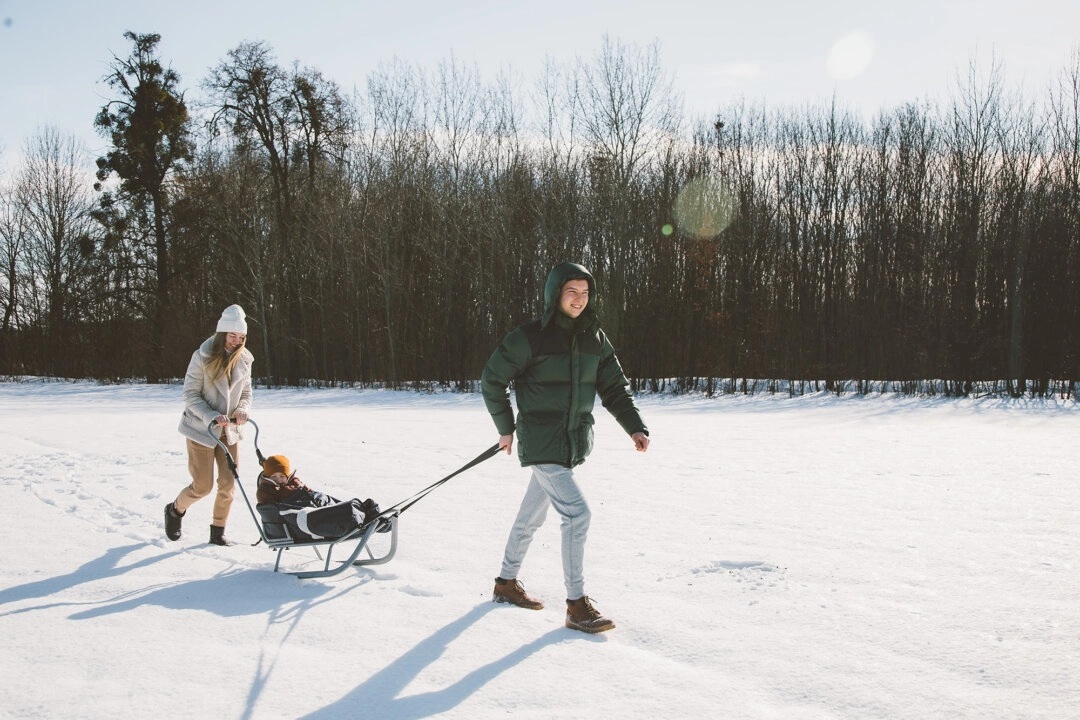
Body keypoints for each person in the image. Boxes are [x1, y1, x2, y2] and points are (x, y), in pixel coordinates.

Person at [481, 261, 650, 634]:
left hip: (571, 440)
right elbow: (492, 380)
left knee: (531, 516)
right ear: (555, 294)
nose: (579, 299)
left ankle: (505, 584)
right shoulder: (529, 337)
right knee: (577, 514)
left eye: (585, 293)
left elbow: (614, 388)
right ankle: (576, 606)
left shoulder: (595, 338)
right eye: (571, 292)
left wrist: (634, 427)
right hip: (542, 441)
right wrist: (506, 429)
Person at [164, 304, 253, 546]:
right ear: (222, 333)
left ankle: (218, 531)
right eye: (232, 335)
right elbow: (190, 395)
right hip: (201, 430)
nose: (236, 341)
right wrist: (210, 415)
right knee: (202, 486)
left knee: (228, 484)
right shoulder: (201, 356)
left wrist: (242, 410)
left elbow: (246, 392)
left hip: (229, 431)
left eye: (241, 337)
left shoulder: (245, 359)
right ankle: (175, 509)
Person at [256, 454, 387, 539]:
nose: (278, 479)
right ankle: (359, 517)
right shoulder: (267, 491)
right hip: (299, 523)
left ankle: (369, 514)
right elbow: (276, 509)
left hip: (315, 506)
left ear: (288, 475)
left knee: (334, 503)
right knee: (346, 512)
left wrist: (303, 488)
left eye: (282, 476)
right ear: (268, 477)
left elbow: (312, 495)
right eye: (274, 476)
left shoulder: (295, 482)